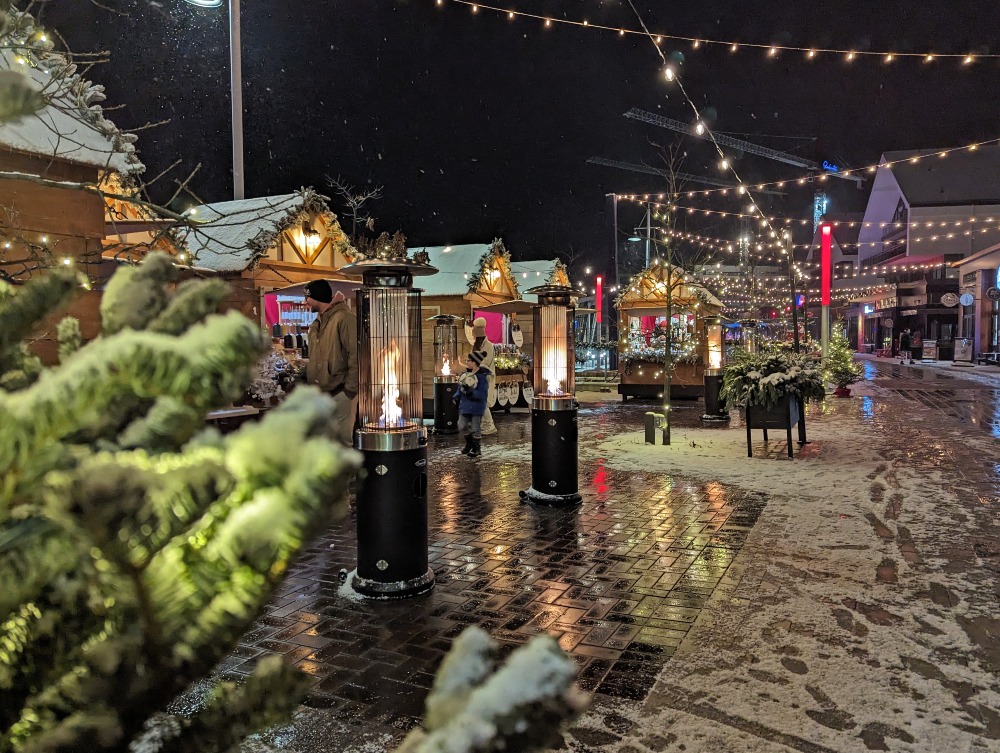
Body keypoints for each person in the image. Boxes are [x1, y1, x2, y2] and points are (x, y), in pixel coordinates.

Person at [304, 280, 358, 446]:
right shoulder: (316, 324)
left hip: (340, 392)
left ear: (318, 297)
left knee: (341, 444)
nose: (305, 302)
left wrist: (350, 390)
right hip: (322, 393)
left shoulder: (344, 318)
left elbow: (356, 354)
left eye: (308, 297)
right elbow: (315, 358)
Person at [453, 350, 490, 458]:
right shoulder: (465, 375)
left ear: (475, 362)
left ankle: (476, 448)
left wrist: (471, 392)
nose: (467, 362)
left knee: (475, 428)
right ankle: (469, 443)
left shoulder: (482, 377)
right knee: (461, 425)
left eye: (469, 360)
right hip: (465, 405)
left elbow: (483, 394)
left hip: (477, 406)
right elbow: (460, 389)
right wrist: (456, 397)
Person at [469, 317, 497, 435]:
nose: (474, 338)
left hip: (485, 378)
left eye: (475, 336)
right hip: (477, 377)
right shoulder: (478, 346)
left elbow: (486, 361)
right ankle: (484, 424)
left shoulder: (489, 346)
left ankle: (490, 425)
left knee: (483, 402)